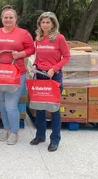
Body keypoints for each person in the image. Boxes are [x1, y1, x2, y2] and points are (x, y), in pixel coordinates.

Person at [0, 5, 35, 145]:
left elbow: (31, 49)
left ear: (15, 19)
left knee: (11, 104)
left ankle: (14, 132)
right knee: (2, 103)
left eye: (11, 17)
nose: (8, 20)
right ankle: (6, 128)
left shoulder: (23, 33)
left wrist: (20, 54)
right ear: (1, 19)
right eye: (5, 17)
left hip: (16, 73)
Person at [30, 11, 70, 152]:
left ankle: (55, 139)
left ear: (53, 24)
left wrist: (54, 69)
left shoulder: (59, 38)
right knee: (40, 108)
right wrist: (35, 64)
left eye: (48, 22)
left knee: (54, 110)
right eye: (43, 22)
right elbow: (38, 56)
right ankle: (40, 135)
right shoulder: (38, 38)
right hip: (40, 76)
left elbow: (66, 56)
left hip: (54, 77)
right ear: (39, 24)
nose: (45, 24)